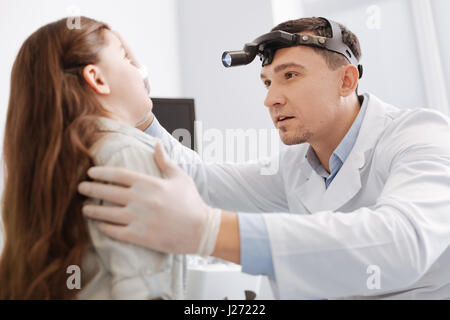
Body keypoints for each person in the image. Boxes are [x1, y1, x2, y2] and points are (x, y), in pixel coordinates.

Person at [78, 17, 450, 299]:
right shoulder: (297, 168)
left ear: (347, 81)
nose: (271, 98)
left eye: (290, 75)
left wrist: (208, 232)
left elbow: (404, 242)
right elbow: (205, 181)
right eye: (268, 82)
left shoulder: (419, 136)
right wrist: (142, 119)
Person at [0, 16, 186, 300]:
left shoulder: (47, 165)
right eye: (125, 57)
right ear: (97, 78)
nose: (140, 71)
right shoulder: (127, 154)